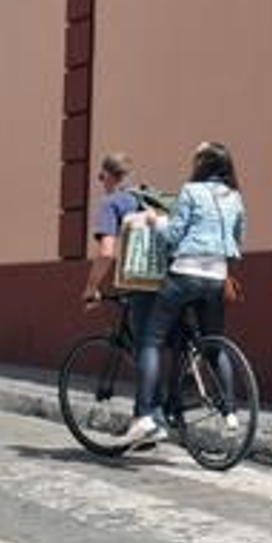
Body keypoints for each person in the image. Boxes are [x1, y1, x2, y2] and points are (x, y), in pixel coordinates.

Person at [118, 141, 245, 446]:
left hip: (185, 274)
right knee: (213, 346)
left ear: (203, 163)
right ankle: (229, 412)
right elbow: (239, 238)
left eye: (195, 157)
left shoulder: (191, 191)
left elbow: (174, 234)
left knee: (150, 341)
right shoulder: (235, 197)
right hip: (216, 277)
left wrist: (155, 221)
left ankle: (145, 418)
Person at [82, 152, 153, 344]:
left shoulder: (111, 202)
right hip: (175, 274)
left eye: (101, 177)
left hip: (144, 280)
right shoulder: (146, 197)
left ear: (107, 175)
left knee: (145, 349)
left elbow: (106, 252)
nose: (101, 182)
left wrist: (91, 288)